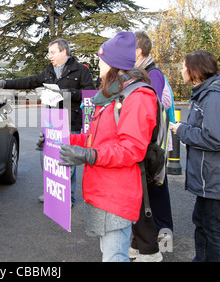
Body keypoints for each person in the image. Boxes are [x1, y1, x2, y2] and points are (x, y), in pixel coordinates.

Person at [56, 31, 158, 261]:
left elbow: (132, 149)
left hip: (116, 194)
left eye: (101, 59)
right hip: (103, 191)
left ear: (114, 64)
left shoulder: (137, 97)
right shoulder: (112, 95)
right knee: (110, 254)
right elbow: (93, 139)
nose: (98, 63)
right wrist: (61, 141)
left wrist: (89, 155)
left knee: (114, 256)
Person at [0, 39, 96, 206]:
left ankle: (68, 197)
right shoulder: (49, 71)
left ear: (64, 52)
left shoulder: (81, 71)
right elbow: (29, 81)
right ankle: (53, 192)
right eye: (49, 53)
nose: (50, 56)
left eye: (53, 52)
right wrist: (4, 83)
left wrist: (68, 92)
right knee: (46, 158)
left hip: (71, 122)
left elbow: (90, 92)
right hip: (52, 122)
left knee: (67, 161)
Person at [171, 50, 220, 262]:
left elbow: (218, 139)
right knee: (202, 222)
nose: (181, 70)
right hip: (211, 176)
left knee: (213, 227)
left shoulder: (214, 98)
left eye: (184, 66)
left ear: (195, 70)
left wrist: (183, 130)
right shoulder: (206, 94)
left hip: (218, 177)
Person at [129, 31, 174, 262]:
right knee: (154, 193)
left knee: (157, 194)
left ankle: (164, 241)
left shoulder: (152, 74)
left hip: (155, 147)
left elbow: (150, 109)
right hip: (153, 145)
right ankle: (158, 239)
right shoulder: (145, 72)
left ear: (138, 52)